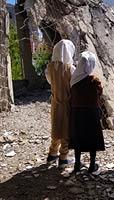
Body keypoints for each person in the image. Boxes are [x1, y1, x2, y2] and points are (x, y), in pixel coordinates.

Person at [69, 51, 105, 173]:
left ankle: (77, 164)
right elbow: (100, 92)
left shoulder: (73, 80)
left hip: (77, 113)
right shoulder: (94, 80)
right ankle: (92, 165)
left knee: (78, 137)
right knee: (92, 137)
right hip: (91, 112)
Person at [45, 39, 75, 167]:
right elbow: (73, 85)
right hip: (67, 103)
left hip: (55, 102)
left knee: (56, 127)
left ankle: (52, 154)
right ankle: (63, 158)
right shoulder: (71, 69)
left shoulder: (50, 68)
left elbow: (50, 82)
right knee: (66, 130)